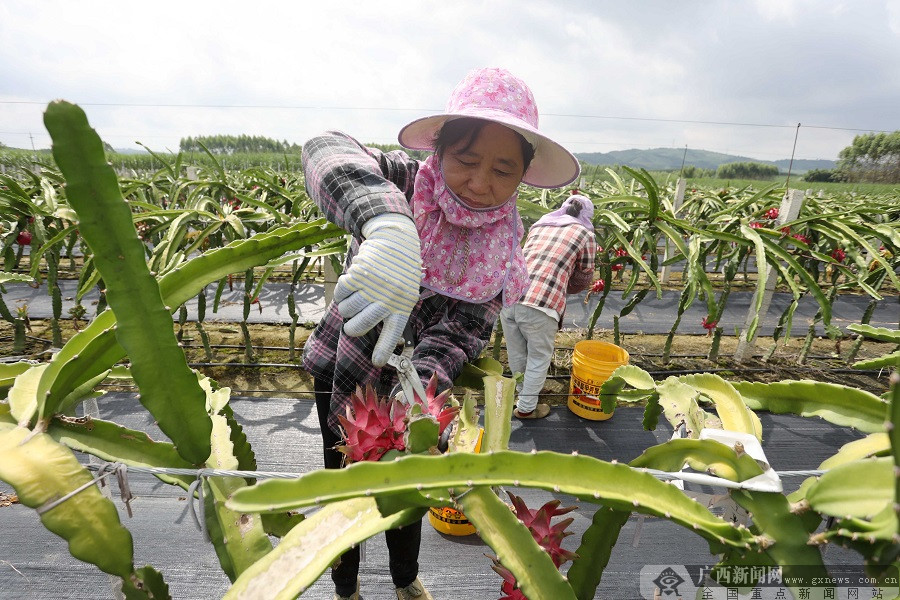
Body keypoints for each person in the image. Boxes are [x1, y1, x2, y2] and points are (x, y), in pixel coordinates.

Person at [300, 67, 579, 600]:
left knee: (411, 485)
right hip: (344, 364)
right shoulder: (406, 183)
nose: (481, 183)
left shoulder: (503, 253)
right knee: (341, 480)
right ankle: (346, 584)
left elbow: (459, 334)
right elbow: (324, 149)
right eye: (467, 161)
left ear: (523, 174)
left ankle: (405, 579)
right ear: (440, 151)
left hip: (417, 391)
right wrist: (387, 223)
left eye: (503, 169)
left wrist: (418, 405)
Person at [499, 193, 597, 419]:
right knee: (538, 357)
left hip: (510, 297)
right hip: (541, 304)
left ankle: (524, 395)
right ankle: (526, 409)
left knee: (517, 354)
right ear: (586, 215)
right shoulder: (585, 234)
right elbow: (583, 276)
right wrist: (565, 286)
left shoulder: (540, 225)